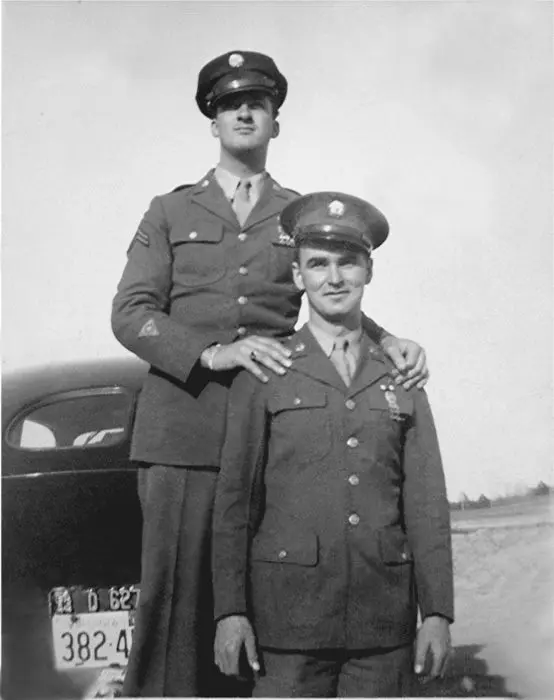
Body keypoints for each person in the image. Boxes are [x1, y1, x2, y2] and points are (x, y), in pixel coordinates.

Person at [112, 51, 429, 698]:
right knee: (175, 616)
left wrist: (389, 340)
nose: (245, 112)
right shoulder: (170, 213)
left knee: (267, 613)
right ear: (214, 121)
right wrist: (210, 353)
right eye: (231, 104)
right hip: (185, 439)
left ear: (275, 122)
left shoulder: (296, 214)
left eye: (258, 103)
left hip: (275, 442)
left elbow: (329, 300)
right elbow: (130, 313)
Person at [212, 191, 454, 697]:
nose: (334, 278)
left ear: (369, 272)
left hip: (381, 620)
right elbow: (236, 500)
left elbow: (426, 504)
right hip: (288, 621)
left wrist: (436, 612)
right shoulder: (266, 369)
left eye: (348, 263)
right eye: (318, 265)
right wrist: (230, 610)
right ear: (299, 276)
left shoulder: (401, 375)